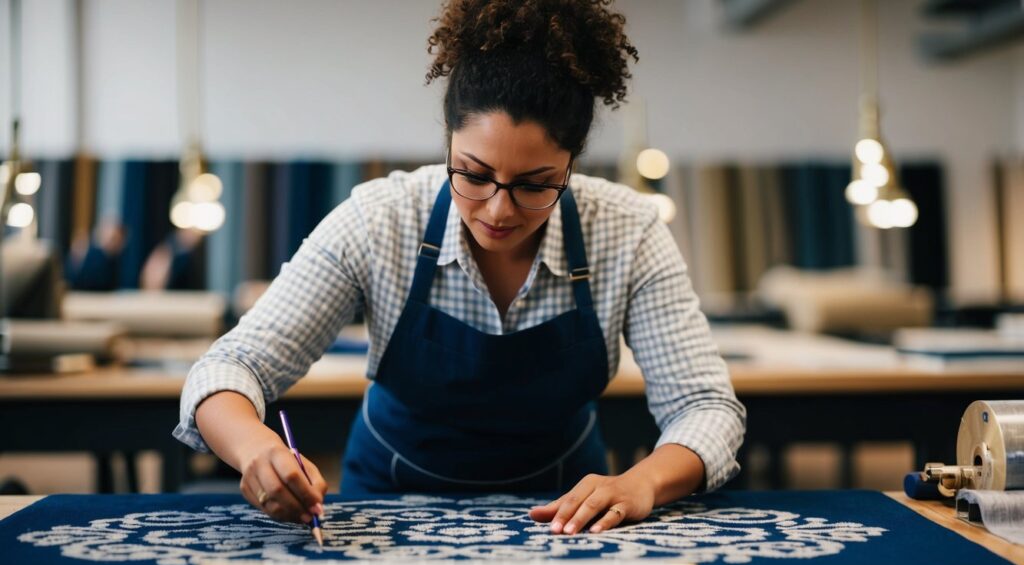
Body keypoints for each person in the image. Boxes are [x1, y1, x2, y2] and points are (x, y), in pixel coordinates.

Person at [174, 0, 745, 536]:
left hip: (566, 516)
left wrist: (642, 481)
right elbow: (230, 366)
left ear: (572, 165)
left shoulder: (627, 231)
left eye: (535, 185)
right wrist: (256, 449)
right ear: (448, 142)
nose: (499, 210)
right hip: (390, 510)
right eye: (473, 175)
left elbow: (705, 408)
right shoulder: (380, 222)